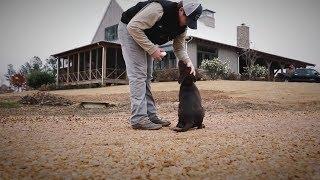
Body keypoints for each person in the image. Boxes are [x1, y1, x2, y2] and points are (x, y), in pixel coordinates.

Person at [118, 0, 203, 130]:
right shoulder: (159, 10)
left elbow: (179, 48)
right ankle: (138, 118)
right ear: (181, 10)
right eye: (187, 19)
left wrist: (188, 61)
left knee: (147, 76)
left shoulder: (182, 27)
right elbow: (133, 27)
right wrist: (153, 50)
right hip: (130, 29)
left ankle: (150, 115)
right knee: (138, 75)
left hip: (146, 35)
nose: (187, 23)